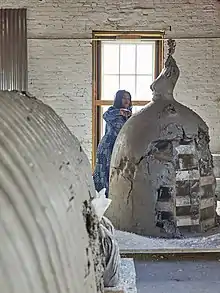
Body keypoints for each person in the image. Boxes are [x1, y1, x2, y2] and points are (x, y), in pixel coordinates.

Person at [93, 90, 132, 198]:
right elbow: (105, 115)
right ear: (119, 99)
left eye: (128, 98)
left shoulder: (130, 115)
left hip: (120, 147)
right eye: (124, 98)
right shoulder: (112, 111)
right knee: (103, 173)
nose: (126, 100)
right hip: (108, 146)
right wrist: (120, 112)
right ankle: (100, 201)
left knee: (116, 173)